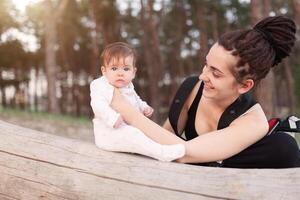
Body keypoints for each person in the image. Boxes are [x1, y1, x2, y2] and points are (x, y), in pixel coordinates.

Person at [110, 16, 300, 168]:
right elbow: (162, 138)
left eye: (216, 73)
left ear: (245, 86)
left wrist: (129, 112)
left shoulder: (253, 122)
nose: (203, 76)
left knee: (285, 147)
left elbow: (183, 152)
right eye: (206, 65)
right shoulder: (192, 89)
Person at [90, 42, 185, 162]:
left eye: (126, 69)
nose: (120, 73)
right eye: (114, 68)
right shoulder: (100, 85)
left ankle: (165, 147)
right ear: (104, 71)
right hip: (108, 134)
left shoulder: (128, 86)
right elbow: (98, 105)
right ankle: (162, 153)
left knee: (141, 135)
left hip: (125, 131)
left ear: (133, 72)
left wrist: (143, 106)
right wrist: (112, 118)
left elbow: (136, 99)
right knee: (133, 134)